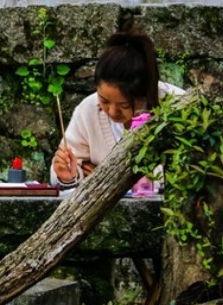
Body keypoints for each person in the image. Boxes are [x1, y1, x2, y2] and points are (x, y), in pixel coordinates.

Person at [50, 29, 185, 194]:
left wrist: (102, 177)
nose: (112, 111)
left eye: (124, 104)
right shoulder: (89, 110)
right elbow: (67, 167)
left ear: (142, 95)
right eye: (104, 101)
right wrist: (68, 175)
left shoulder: (177, 107)